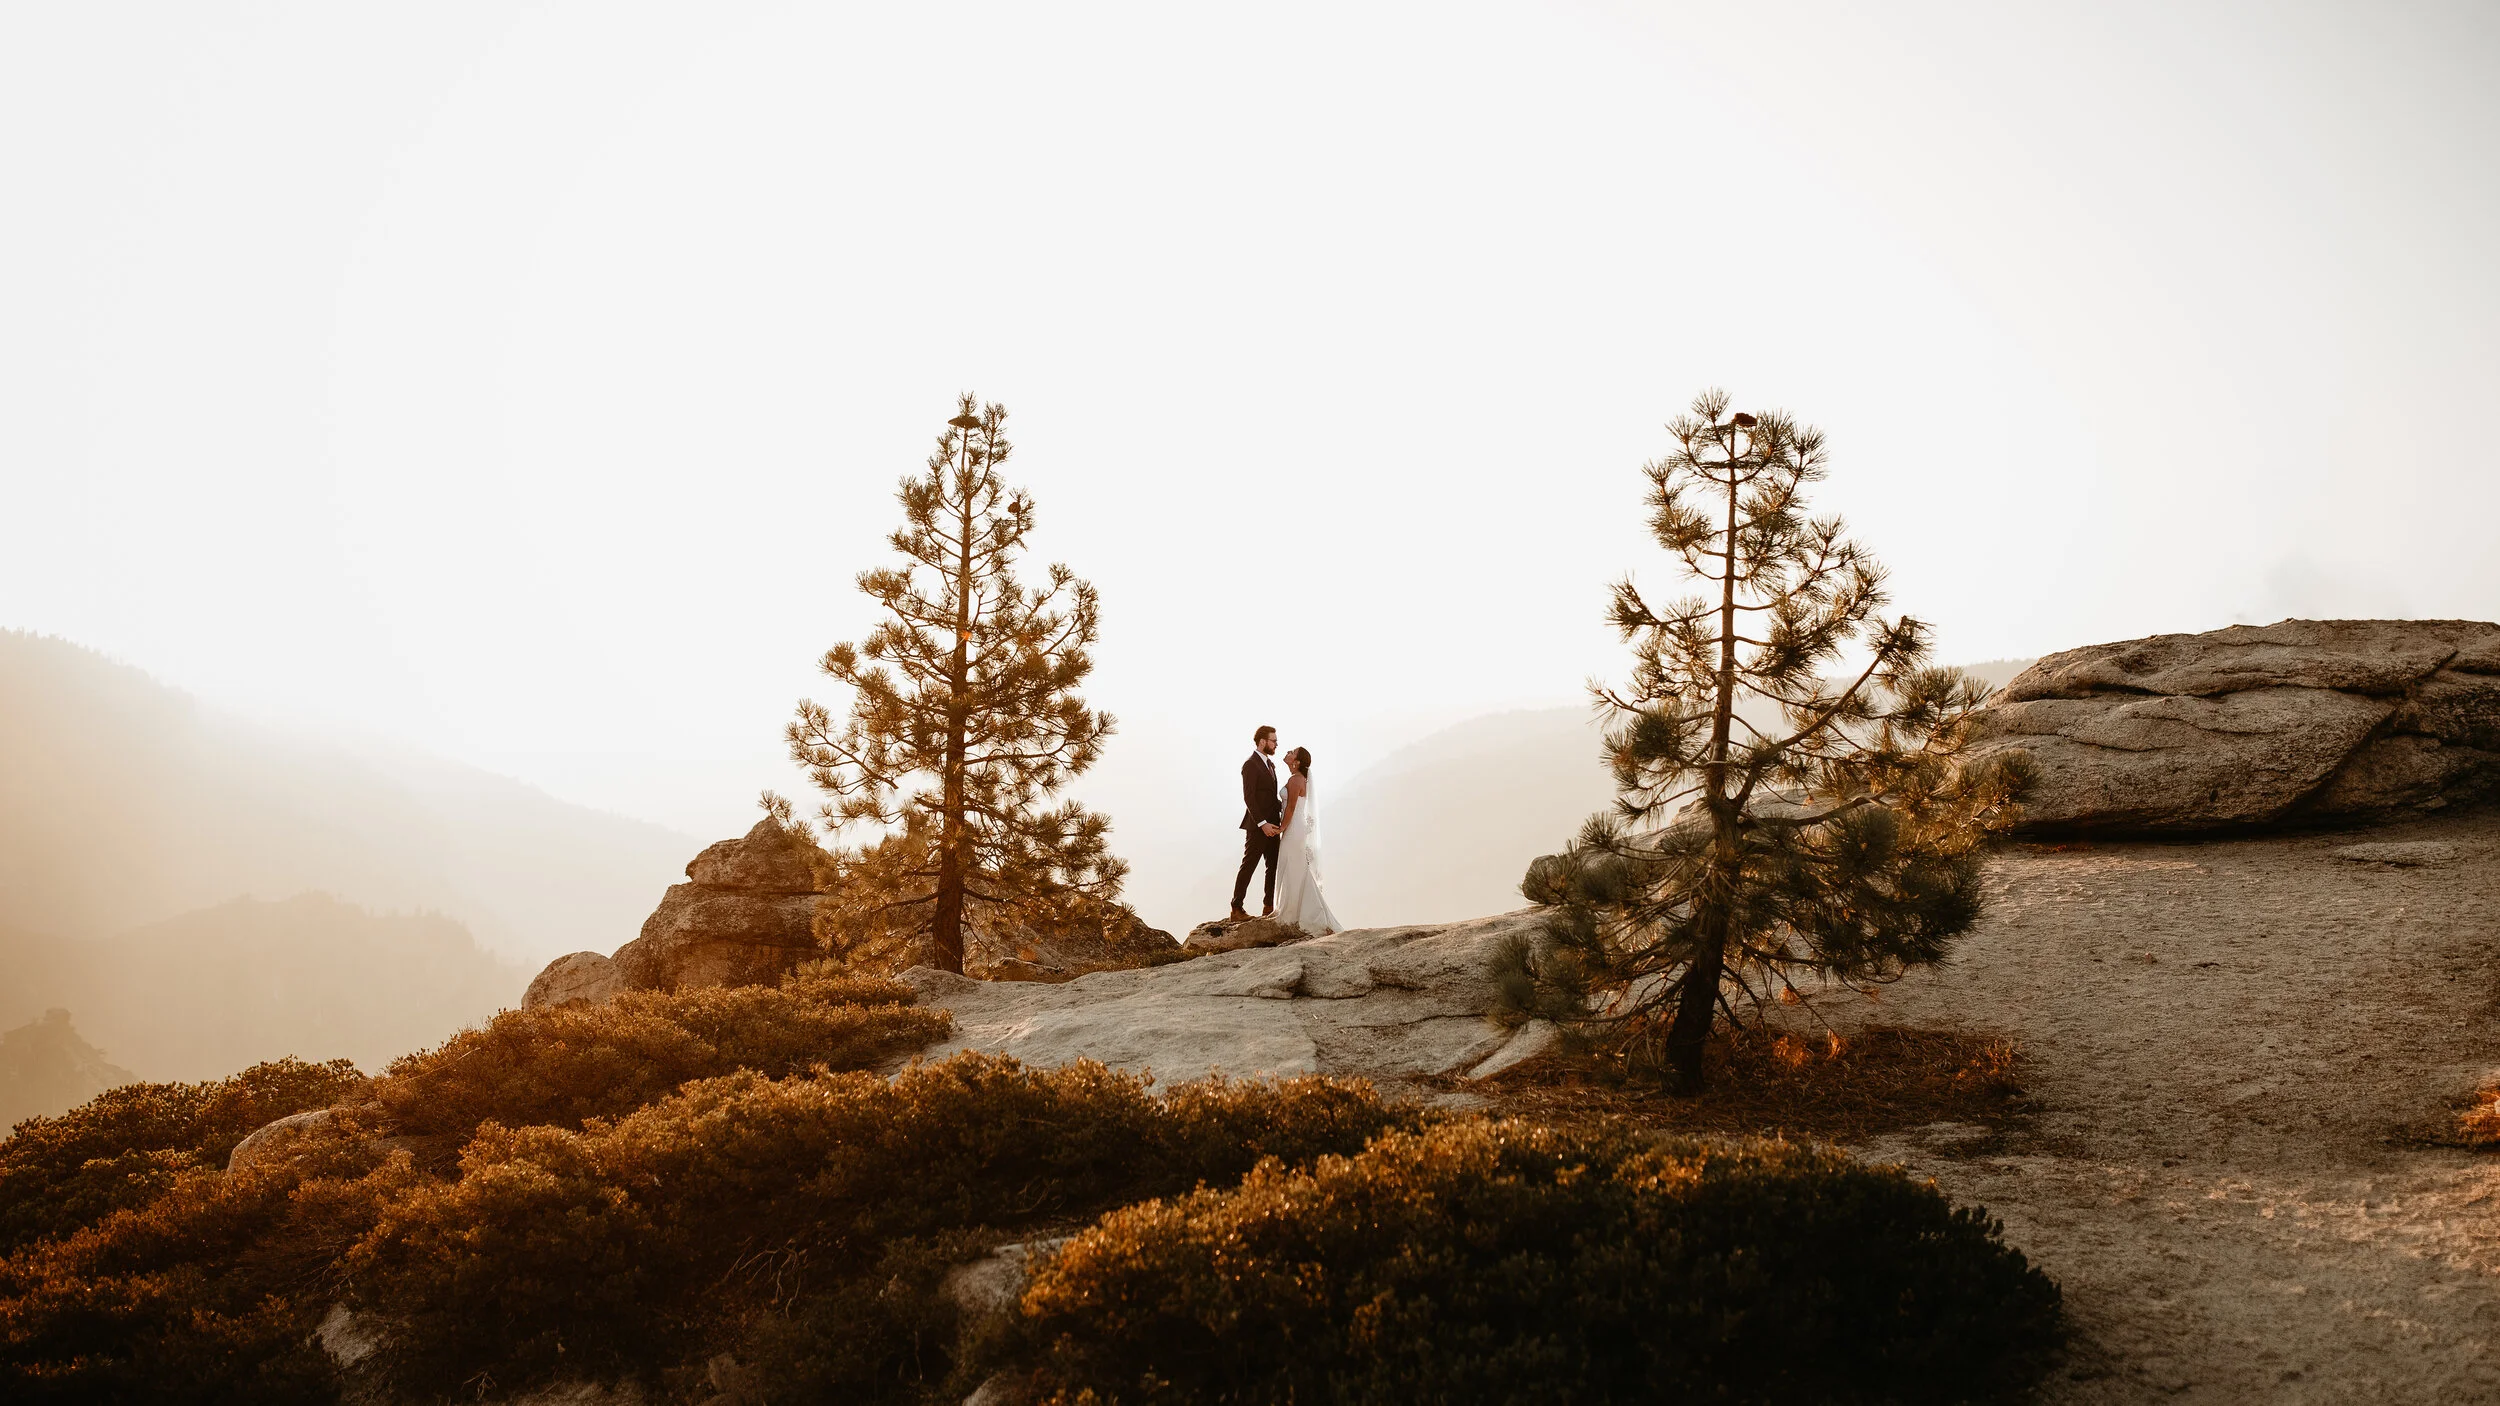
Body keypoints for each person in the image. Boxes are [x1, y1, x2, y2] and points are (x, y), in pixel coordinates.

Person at [1270, 745, 1341, 935]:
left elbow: (1291, 808)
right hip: (1295, 827)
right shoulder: (1299, 779)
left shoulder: (1295, 780)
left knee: (1292, 865)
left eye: (1292, 752)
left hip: (1293, 828)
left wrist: (1282, 828)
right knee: (1296, 866)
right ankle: (1295, 908)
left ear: (1297, 762)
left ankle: (1291, 912)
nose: (1288, 753)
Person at [1230, 724, 1282, 920]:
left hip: (1274, 826)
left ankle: (1268, 907)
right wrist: (1262, 824)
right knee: (1249, 865)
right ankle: (1236, 908)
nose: (1276, 744)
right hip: (1258, 826)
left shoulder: (1270, 764)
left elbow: (1269, 797)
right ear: (1262, 742)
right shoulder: (1250, 764)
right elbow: (1249, 797)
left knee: (1273, 866)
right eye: (1273, 740)